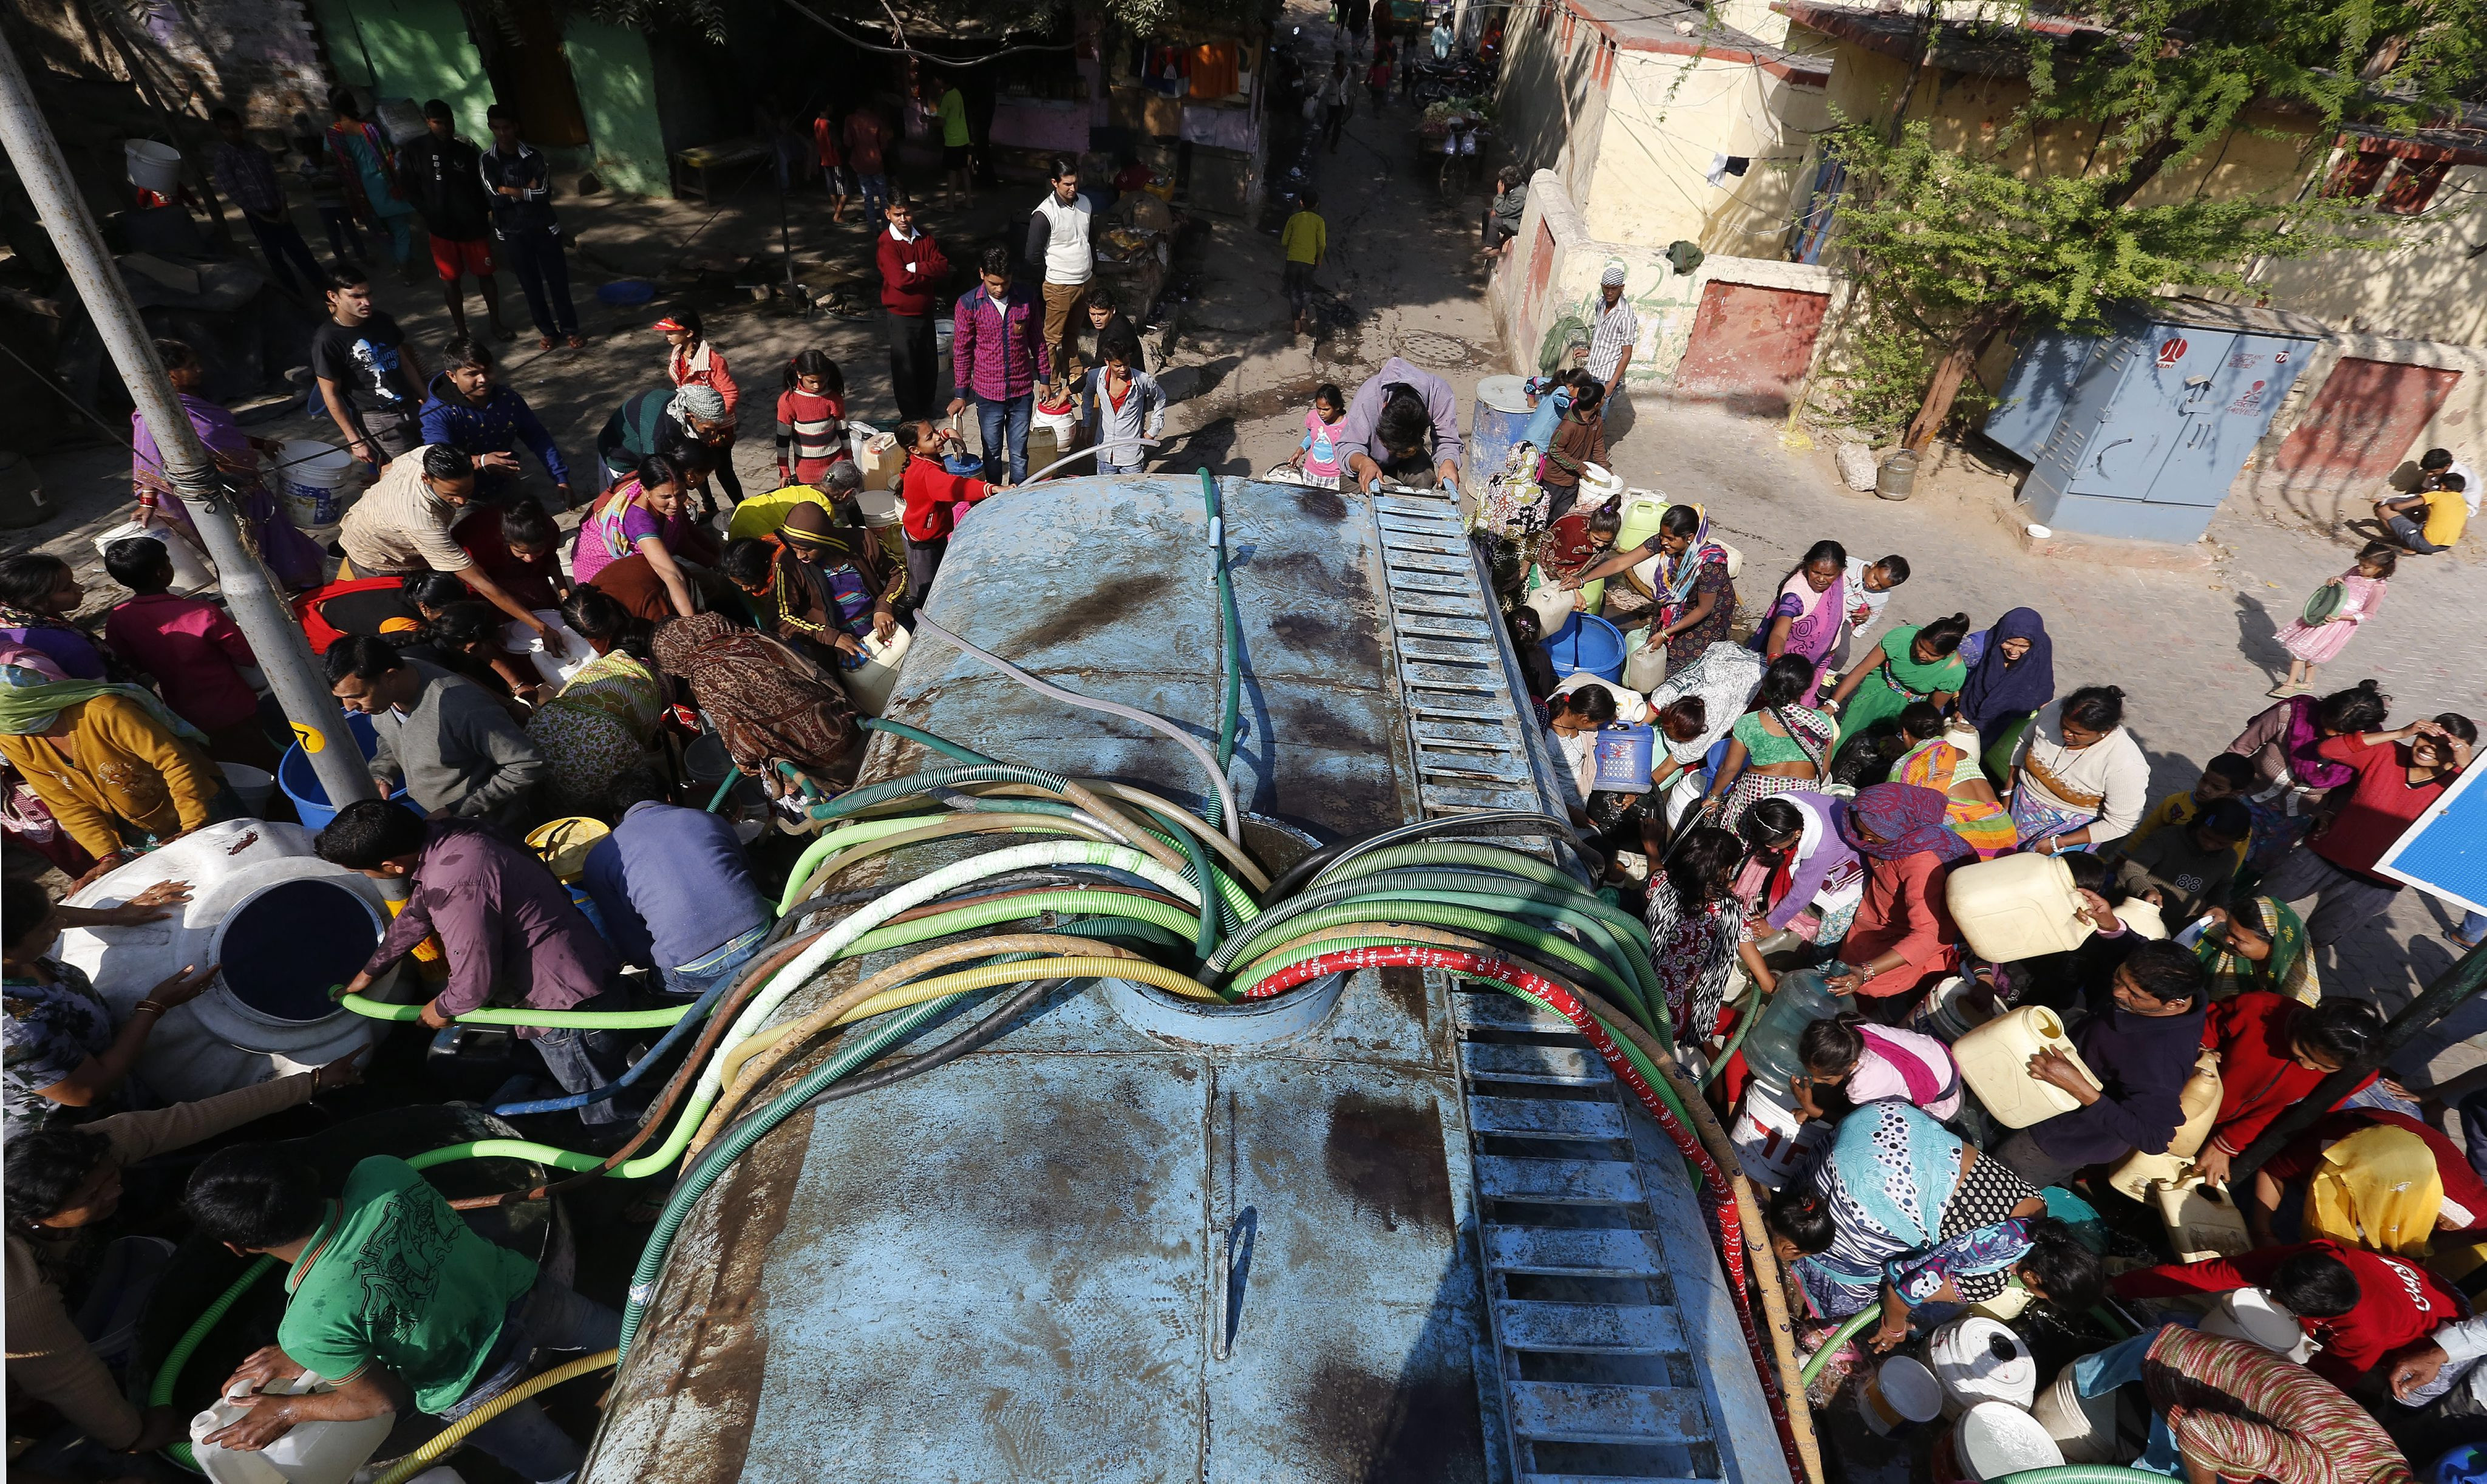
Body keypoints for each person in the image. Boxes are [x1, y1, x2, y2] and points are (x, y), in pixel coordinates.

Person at [182, 1140, 621, 1474]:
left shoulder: (307, 1327)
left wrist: (286, 1409)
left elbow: (381, 1401)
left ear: (238, 1247)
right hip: (529, 1296)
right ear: (309, 1174)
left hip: (471, 1386)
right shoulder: (382, 1173)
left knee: (566, 1471)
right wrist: (308, 1350)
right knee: (640, 1340)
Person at [4, 1053, 360, 1454]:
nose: (114, 1192)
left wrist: (309, 1084)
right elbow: (64, 1372)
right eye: (93, 1196)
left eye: (111, 1177)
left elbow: (188, 1120)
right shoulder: (20, 1289)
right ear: (44, 1215)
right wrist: (132, 1435)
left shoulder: (79, 1157)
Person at [318, 800, 626, 1109]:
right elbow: (417, 915)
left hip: (563, 1006)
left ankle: (619, 1141)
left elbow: (474, 984)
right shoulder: (456, 834)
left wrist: (441, 1008)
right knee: (612, 1071)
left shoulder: (454, 880)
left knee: (599, 1097)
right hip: (583, 962)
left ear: (393, 866)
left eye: (363, 872)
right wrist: (371, 972)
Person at [1767, 1101, 2098, 1330]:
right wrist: (1894, 1327)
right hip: (1865, 1182)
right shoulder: (1991, 1280)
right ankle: (1793, 1269)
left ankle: (1787, 1209)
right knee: (1863, 1285)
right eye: (2042, 1295)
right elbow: (1902, 1292)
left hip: (1882, 1124)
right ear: (2034, 1280)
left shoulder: (2037, 1204)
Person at [1, 876, 212, 1142]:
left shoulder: (19, 948)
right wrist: (153, 1007)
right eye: (48, 926)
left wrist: (114, 915)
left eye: (54, 913)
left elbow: (28, 914)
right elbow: (88, 1091)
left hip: (116, 1065)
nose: (61, 925)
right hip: (80, 1131)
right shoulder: (15, 1026)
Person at [2075, 1325, 2413, 1484]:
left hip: (2224, 1365)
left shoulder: (2397, 1467)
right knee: (2119, 1470)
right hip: (2170, 1372)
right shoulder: (2324, 1472)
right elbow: (2199, 1431)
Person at [1993, 941, 2209, 1188]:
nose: (2118, 993)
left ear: (2174, 1004)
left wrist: (2080, 1089)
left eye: (2135, 995)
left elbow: (2155, 1138)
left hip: (2059, 1137)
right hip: (2045, 1083)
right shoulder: (2182, 986)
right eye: (2119, 979)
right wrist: (2113, 928)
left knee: (1994, 1182)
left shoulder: (2160, 1061)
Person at [2115, 1240, 2461, 1390]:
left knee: (2395, 1389)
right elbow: (2210, 1274)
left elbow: (2316, 1385)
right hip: (2405, 1283)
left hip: (2448, 1324)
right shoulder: (2318, 1256)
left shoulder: (2364, 1335)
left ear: (2316, 1319)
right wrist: (2118, 1287)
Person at [2258, 712, 2473, 947]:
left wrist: (2469, 768)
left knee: (2313, 943)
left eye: (2444, 747)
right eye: (2426, 738)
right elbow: (2329, 749)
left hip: (2375, 885)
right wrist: (2401, 732)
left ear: (2456, 755)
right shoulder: (2387, 752)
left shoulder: (2459, 785)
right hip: (2321, 855)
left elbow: (2478, 821)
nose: (2429, 748)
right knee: (2255, 908)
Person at [130, 339, 325, 589]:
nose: (199, 370)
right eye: (191, 366)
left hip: (250, 489)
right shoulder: (153, 415)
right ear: (170, 375)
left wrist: (259, 443)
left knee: (278, 539)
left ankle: (300, 584)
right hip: (220, 500)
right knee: (243, 555)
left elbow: (215, 438)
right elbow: (150, 461)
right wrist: (148, 502)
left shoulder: (195, 398)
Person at [0, 660, 230, 862]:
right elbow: (65, 804)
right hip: (138, 831)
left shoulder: (107, 711)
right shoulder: (14, 740)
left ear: (24, 712)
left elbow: (174, 761)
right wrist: (107, 854)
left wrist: (194, 823)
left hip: (199, 803)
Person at [581, 769, 771, 1000]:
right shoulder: (708, 819)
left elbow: (637, 953)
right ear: (669, 798)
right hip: (762, 936)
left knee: (653, 987)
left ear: (616, 818)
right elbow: (750, 879)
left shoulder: (598, 860)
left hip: (695, 969)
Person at [338, 446, 550, 642]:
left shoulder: (425, 454)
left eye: (467, 492)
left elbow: (386, 468)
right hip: (378, 557)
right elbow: (482, 584)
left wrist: (482, 461)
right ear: (426, 478)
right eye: (452, 495)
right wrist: (538, 626)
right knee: (420, 614)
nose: (461, 502)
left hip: (392, 530)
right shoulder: (423, 521)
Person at [325, 635, 542, 826]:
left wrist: (460, 809)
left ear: (390, 677)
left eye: (357, 697)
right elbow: (391, 736)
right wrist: (382, 773)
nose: (349, 707)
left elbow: (527, 764)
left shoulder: (462, 708)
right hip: (447, 819)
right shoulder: (385, 692)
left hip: (497, 826)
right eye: (342, 699)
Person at [100, 539, 276, 772]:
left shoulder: (119, 619)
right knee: (265, 764)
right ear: (162, 573)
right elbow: (246, 656)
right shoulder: (203, 613)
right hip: (235, 707)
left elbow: (129, 664)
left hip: (183, 714)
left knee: (227, 768)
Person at [650, 612, 858, 799]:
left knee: (773, 782)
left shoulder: (704, 677)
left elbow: (743, 745)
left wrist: (744, 761)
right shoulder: (753, 637)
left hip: (818, 766)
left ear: (673, 658)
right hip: (850, 725)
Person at [2188, 992, 2382, 1187]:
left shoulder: (2351, 1077)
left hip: (2237, 1133)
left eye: (2323, 1067)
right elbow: (2206, 1026)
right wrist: (2203, 1050)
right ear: (2304, 1026)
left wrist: (2227, 1144)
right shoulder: (2258, 1007)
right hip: (2185, 1097)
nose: (2307, 1066)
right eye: (2303, 1052)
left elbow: (2289, 1115)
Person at [1824, 781, 1971, 1015]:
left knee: (1853, 1008)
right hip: (1867, 929)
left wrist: (1866, 972)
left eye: (1873, 836)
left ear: (1899, 829)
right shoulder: (1889, 842)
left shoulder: (1921, 864)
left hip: (1893, 950)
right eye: (1862, 831)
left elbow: (1925, 937)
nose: (1865, 839)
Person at [2247, 1109, 2486, 1252]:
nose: (2442, 1227)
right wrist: (2263, 1233)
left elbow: (2437, 1244)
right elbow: (2273, 1171)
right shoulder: (2340, 1146)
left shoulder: (2474, 1217)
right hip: (2318, 1154)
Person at [515, 589, 662, 818]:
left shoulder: (598, 669)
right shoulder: (655, 680)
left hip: (537, 754)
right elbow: (646, 732)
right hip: (596, 760)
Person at [2224, 679, 2388, 873]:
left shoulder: (2368, 748)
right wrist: (2224, 788)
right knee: (2223, 854)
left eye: (2338, 734)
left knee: (2256, 869)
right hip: (2244, 799)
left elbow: (2349, 790)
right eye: (2326, 722)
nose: (2327, 732)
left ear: (2359, 733)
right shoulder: (2290, 716)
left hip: (2294, 821)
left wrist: (2328, 815)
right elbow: (2240, 749)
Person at [724, 501, 896, 665]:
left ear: (825, 540)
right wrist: (832, 638)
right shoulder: (787, 566)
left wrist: (884, 606)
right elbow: (780, 618)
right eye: (795, 548)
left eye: (807, 549)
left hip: (882, 634)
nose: (800, 556)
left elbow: (897, 572)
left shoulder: (863, 541)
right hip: (835, 652)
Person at [398, 100, 509, 341]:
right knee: (450, 282)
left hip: (473, 227)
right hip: (442, 230)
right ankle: (461, 332)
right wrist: (428, 212)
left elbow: (482, 189)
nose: (446, 127)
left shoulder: (466, 152)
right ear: (428, 122)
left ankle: (496, 324)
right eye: (439, 123)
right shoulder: (415, 150)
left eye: (449, 122)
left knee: (487, 276)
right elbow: (409, 187)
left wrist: (487, 213)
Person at [418, 335, 571, 506]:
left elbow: (537, 437)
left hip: (505, 484)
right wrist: (481, 461)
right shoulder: (437, 414)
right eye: (472, 374)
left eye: (488, 370)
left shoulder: (509, 399)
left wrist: (560, 477)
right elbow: (438, 458)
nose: (483, 379)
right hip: (462, 496)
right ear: (452, 376)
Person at [479, 104, 583, 351]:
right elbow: (494, 198)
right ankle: (548, 331)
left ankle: (570, 329)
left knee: (558, 282)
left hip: (544, 228)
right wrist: (524, 190)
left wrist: (508, 190)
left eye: (507, 127)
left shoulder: (534, 156)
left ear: (516, 127)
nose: (503, 133)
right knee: (530, 285)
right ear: (491, 128)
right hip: (512, 232)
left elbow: (543, 193)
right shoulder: (487, 160)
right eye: (497, 128)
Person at [2002, 685, 2149, 854]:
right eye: (2063, 725)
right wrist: (2008, 792)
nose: (2065, 734)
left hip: (2068, 832)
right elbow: (2025, 741)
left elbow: (2122, 823)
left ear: (2105, 731)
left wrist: (2059, 843)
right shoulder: (2054, 711)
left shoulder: (2125, 765)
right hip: (2019, 806)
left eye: (2076, 733)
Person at [948, 247, 1050, 485]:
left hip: (1022, 391)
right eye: (994, 283)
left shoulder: (1026, 298)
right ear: (982, 274)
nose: (999, 289)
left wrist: (1045, 378)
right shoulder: (968, 304)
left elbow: (1037, 338)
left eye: (1004, 283)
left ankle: (1019, 494)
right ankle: (994, 495)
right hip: (987, 393)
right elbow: (962, 351)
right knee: (992, 452)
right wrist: (961, 395)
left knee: (1019, 452)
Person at [1735, 794, 1862, 983]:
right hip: (1830, 843)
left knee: (1829, 935)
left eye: (1775, 845)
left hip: (1850, 868)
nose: (1770, 848)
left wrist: (1771, 924)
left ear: (1796, 834)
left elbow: (1802, 893)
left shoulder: (1821, 847)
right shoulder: (1777, 810)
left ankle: (1816, 976)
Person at [1702, 654, 1833, 830]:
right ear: (1806, 689)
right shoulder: (1823, 721)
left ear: (1768, 683)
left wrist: (1714, 797)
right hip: (1799, 800)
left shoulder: (1749, 722)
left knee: (1743, 835)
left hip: (1757, 796)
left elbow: (1729, 768)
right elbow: (1823, 771)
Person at [312, 268, 427, 467]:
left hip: (412, 405)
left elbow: (406, 363)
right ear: (334, 297)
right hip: (379, 419)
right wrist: (354, 440)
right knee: (411, 471)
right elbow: (330, 394)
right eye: (356, 296)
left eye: (368, 294)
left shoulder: (382, 320)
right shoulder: (328, 340)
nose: (366, 302)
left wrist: (427, 399)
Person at [570, 454, 709, 619]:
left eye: (680, 494)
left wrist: (715, 561)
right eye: (665, 497)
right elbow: (672, 575)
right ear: (645, 490)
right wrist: (693, 623)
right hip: (601, 573)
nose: (675, 503)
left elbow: (683, 539)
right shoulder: (639, 521)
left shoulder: (651, 484)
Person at [1643, 826, 1744, 1048]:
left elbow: (1657, 872)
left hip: (1635, 998)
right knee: (1740, 1024)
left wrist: (1651, 846)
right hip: (1670, 1022)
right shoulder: (1729, 912)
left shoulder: (1664, 889)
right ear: (1726, 872)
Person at [208, 107, 323, 293]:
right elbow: (234, 191)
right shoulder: (224, 158)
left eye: (234, 127)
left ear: (241, 126)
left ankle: (322, 286)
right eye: (226, 129)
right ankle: (294, 293)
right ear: (220, 130)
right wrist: (260, 215)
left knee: (299, 249)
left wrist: (284, 207)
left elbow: (275, 179)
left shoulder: (256, 150)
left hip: (277, 207)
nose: (232, 132)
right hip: (258, 214)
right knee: (275, 256)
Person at [2271, 544, 2393, 698]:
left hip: (2336, 624)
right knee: (2312, 649)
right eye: (2361, 564)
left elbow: (2368, 614)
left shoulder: (2377, 588)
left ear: (2382, 568)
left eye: (2367, 567)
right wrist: (2335, 580)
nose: (2361, 568)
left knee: (2300, 651)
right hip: (2325, 613)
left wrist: (2342, 617)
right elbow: (2341, 583)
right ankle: (2308, 682)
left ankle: (2289, 685)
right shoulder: (2355, 571)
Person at [1891, 707, 2015, 859]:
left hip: (1971, 845)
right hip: (2006, 834)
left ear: (1905, 732)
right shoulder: (1962, 753)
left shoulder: (1908, 764)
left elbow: (1892, 811)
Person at [1791, 1012, 1959, 1123]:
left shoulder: (1865, 1082)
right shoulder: (1850, 1030)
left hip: (1940, 1101)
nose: (1815, 1080)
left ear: (1852, 1065)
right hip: (1942, 1060)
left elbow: (1856, 1123)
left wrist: (1812, 1109)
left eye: (1825, 1078)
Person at [1826, 613, 1970, 741]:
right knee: (1846, 735)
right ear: (1920, 634)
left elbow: (1931, 710)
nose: (1922, 654)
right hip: (1872, 691)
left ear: (1949, 654)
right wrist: (1832, 704)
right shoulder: (1901, 638)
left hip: (1910, 714)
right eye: (1921, 646)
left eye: (1932, 655)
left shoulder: (1954, 673)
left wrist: (1901, 739)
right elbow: (1861, 670)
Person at [1947, 606, 2053, 780]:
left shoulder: (2039, 655)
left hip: (2000, 727)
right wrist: (1958, 700)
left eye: (2023, 646)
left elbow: (2041, 692)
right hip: (1960, 715)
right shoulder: (1979, 647)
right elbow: (1947, 670)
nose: (2014, 651)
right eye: (2009, 643)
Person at [2109, 795, 2247, 922]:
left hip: (2172, 924)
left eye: (2221, 843)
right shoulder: (2165, 838)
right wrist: (2146, 889)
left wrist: (2219, 906)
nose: (2210, 845)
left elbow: (2222, 888)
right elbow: (2130, 869)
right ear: (2198, 823)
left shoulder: (2228, 858)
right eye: (2206, 836)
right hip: (2126, 912)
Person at [656, 306, 741, 507]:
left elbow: (730, 393)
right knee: (693, 466)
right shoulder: (677, 355)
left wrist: (714, 420)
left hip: (717, 428)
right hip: (691, 424)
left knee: (723, 470)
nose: (668, 335)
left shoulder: (714, 361)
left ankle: (741, 507)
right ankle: (709, 505)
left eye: (672, 331)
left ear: (689, 333)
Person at [1336, 356, 1462, 494]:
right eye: (1390, 448)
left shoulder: (1439, 393)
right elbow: (1347, 446)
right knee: (1356, 503)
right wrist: (1363, 463)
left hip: (1407, 455)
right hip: (1365, 457)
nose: (1391, 453)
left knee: (1424, 478)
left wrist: (1449, 462)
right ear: (1384, 408)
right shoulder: (1369, 398)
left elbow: (1447, 441)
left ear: (1427, 416)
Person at [323, 92, 415, 277]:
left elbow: (329, 160)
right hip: (388, 184)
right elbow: (389, 151)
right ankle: (404, 264)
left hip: (362, 191)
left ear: (334, 109)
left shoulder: (333, 134)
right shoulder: (370, 128)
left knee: (380, 231)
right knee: (401, 230)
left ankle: (398, 261)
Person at [876, 192, 950, 423]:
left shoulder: (924, 237)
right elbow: (899, 281)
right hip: (901, 316)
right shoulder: (886, 244)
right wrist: (927, 275)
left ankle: (927, 406)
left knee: (928, 363)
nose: (903, 218)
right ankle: (911, 415)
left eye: (907, 213)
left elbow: (943, 267)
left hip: (925, 313)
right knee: (905, 368)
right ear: (888, 214)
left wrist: (916, 267)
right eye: (898, 214)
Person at [1026, 156, 1095, 383]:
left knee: (1073, 333)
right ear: (1055, 183)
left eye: (1075, 182)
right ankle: (1051, 380)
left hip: (1085, 282)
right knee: (1051, 338)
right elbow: (1032, 256)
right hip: (1059, 286)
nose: (1073, 188)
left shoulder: (1085, 203)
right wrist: (1050, 279)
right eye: (1067, 184)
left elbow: (1090, 238)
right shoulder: (1044, 215)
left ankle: (1074, 371)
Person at [1754, 540, 1846, 705]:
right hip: (1789, 673)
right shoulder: (1794, 595)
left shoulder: (1839, 580)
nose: (1821, 579)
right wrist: (1777, 666)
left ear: (1840, 572)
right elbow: (1779, 634)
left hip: (1817, 663)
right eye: (1815, 572)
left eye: (1829, 575)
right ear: (1807, 565)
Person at [595, 383, 733, 492]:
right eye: (709, 430)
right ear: (690, 418)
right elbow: (655, 474)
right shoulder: (661, 435)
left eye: (716, 429)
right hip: (621, 458)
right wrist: (680, 497)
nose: (713, 435)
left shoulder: (683, 409)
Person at [2128, 753, 2254, 867]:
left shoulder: (2239, 825)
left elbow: (2231, 865)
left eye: (2217, 788)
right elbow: (2145, 833)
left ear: (2237, 793)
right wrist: (2124, 858)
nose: (2205, 789)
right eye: (2204, 780)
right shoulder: (2176, 802)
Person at [2190, 894, 2319, 1005]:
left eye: (2238, 939)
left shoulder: (2296, 992)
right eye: (2227, 930)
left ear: (2276, 946)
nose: (2227, 940)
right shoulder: (2214, 940)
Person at [0, 554, 109, 680]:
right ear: (34, 601)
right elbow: (104, 690)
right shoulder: (73, 648)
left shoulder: (6, 622)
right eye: (66, 589)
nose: (80, 588)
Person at [457, 496, 568, 614]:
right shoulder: (480, 544)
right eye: (521, 552)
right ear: (505, 538)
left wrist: (565, 593)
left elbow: (550, 559)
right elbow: (478, 585)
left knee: (550, 610)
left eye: (537, 551)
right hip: (488, 582)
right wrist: (537, 625)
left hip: (528, 575)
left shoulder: (549, 529)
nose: (529, 558)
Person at [1082, 327, 1166, 474]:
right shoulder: (1095, 377)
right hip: (1104, 455)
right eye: (1118, 366)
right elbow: (1087, 395)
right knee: (1107, 495)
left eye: (1126, 364)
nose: (1123, 369)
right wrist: (1086, 424)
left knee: (1132, 496)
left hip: (1131, 458)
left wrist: (1154, 429)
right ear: (1107, 362)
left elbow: (1161, 397)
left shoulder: (1142, 380)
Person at [1579, 265, 1639, 443]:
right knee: (1583, 415)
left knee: (1598, 420)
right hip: (1592, 371)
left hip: (1606, 378)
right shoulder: (1600, 303)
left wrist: (1612, 384)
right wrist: (1589, 352)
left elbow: (1626, 354)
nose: (1609, 293)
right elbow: (1600, 334)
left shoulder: (1626, 317)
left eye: (1614, 289)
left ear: (1622, 288)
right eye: (1606, 288)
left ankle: (1595, 454)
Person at [290, 110, 360, 264]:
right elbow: (302, 183)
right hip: (324, 207)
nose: (316, 158)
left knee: (351, 231)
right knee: (333, 234)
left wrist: (325, 184)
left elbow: (342, 179)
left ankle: (362, 255)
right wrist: (316, 184)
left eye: (318, 155)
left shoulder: (332, 165)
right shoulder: (305, 168)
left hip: (340, 204)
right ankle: (341, 258)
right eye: (312, 156)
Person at [1535, 381, 1608, 524]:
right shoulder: (1568, 425)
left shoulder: (1596, 420)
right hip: (1556, 478)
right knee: (1545, 510)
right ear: (1597, 404)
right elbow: (1555, 451)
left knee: (1561, 512)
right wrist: (1579, 466)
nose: (1605, 399)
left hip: (1575, 479)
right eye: (1603, 397)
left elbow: (1598, 444)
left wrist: (1606, 469)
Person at [774, 350, 849, 488]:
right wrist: (784, 471)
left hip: (836, 464)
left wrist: (849, 459)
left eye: (822, 381)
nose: (817, 386)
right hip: (807, 472)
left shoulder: (834, 398)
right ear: (799, 375)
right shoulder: (788, 401)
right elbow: (783, 440)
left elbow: (843, 431)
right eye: (812, 381)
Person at [1828, 553, 1911, 675]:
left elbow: (1874, 615)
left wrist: (1857, 631)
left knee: (1842, 654)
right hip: (1825, 605)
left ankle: (1828, 675)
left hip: (1845, 619)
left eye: (1881, 586)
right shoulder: (1849, 565)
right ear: (1874, 565)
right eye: (1875, 578)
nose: (1874, 585)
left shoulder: (1881, 597)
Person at [2373, 469, 2466, 554]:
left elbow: (2399, 506)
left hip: (2423, 543)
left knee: (2383, 510)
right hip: (2444, 547)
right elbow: (2462, 534)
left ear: (2442, 486)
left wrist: (2392, 506)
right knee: (2425, 516)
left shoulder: (2437, 495)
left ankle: (2404, 544)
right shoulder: (2464, 505)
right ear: (2462, 491)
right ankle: (2413, 543)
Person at [1282, 188, 1327, 338]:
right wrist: (1318, 259)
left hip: (1293, 260)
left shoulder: (1294, 219)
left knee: (1293, 290)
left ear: (1301, 203)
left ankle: (1296, 324)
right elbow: (1321, 244)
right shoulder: (1319, 222)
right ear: (1317, 205)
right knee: (1307, 289)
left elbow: (1284, 241)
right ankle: (1303, 313)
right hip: (1309, 261)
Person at [1288, 383, 1347, 487]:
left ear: (1337, 407)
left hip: (1333, 478)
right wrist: (1299, 451)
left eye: (1326, 409)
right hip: (1310, 473)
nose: (1321, 413)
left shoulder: (1347, 426)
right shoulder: (1313, 416)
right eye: (1318, 408)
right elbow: (1310, 437)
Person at [845, 103, 891, 222]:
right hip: (877, 162)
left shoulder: (850, 120)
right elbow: (884, 144)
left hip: (860, 163)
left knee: (868, 197)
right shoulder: (876, 119)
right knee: (883, 197)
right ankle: (887, 227)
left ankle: (873, 228)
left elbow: (848, 142)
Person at [809, 104, 851, 223]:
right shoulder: (829, 124)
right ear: (827, 107)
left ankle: (838, 213)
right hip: (834, 159)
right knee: (845, 189)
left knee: (832, 188)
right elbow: (836, 143)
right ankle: (837, 216)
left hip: (825, 159)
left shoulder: (817, 122)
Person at [936, 76, 973, 203]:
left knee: (952, 174)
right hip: (963, 138)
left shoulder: (946, 98)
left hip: (953, 141)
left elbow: (940, 122)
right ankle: (969, 201)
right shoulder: (957, 92)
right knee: (964, 171)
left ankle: (950, 205)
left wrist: (927, 121)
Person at [1483, 165, 1525, 255]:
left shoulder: (1519, 195)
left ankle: (1495, 248)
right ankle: (1488, 242)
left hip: (1516, 223)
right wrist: (1495, 209)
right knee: (1487, 213)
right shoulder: (1513, 189)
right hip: (1511, 215)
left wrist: (1500, 194)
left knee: (1494, 221)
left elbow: (1502, 212)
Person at [1321, 60, 1354, 152]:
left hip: (1342, 102)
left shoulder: (1348, 71)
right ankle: (1325, 131)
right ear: (1336, 60)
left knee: (1338, 123)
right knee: (1330, 119)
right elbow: (1324, 84)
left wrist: (1350, 97)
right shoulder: (1330, 71)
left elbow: (1349, 84)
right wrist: (1317, 95)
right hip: (1332, 102)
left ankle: (1333, 145)